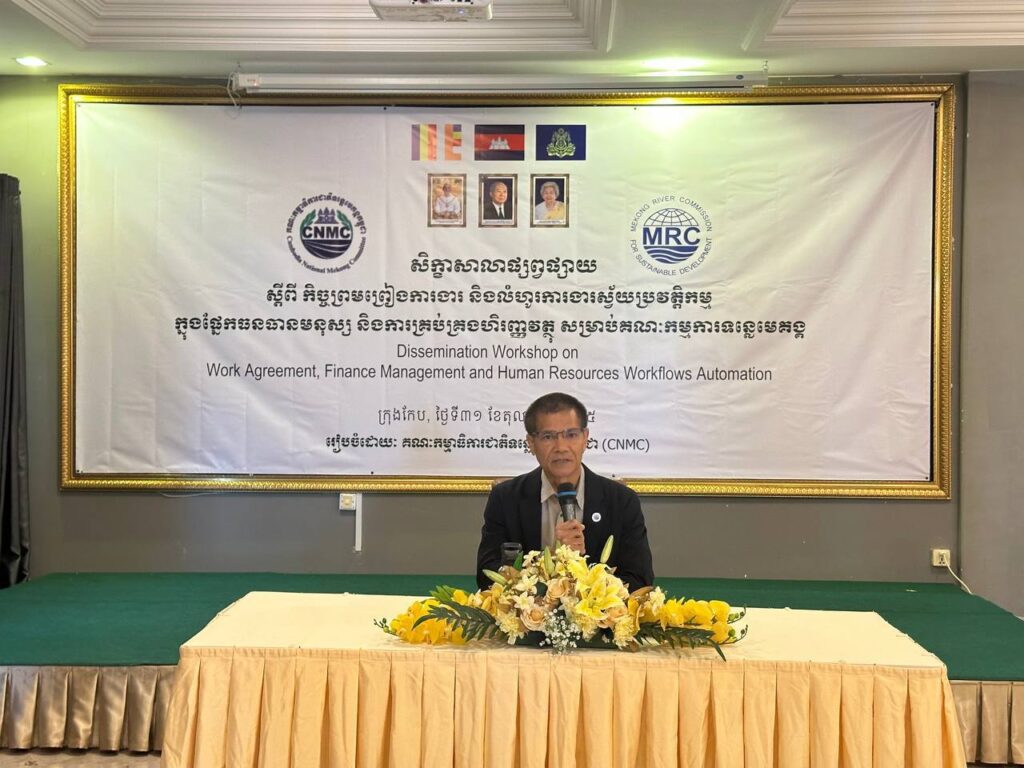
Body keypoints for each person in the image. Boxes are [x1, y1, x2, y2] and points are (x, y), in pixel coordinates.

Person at [475, 392, 654, 590]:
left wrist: (588, 588)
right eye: (548, 437)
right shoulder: (506, 498)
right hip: (527, 610)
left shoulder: (621, 501)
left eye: (571, 435)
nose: (561, 447)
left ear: (585, 438)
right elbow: (486, 575)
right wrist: (551, 560)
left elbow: (639, 579)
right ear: (531, 443)